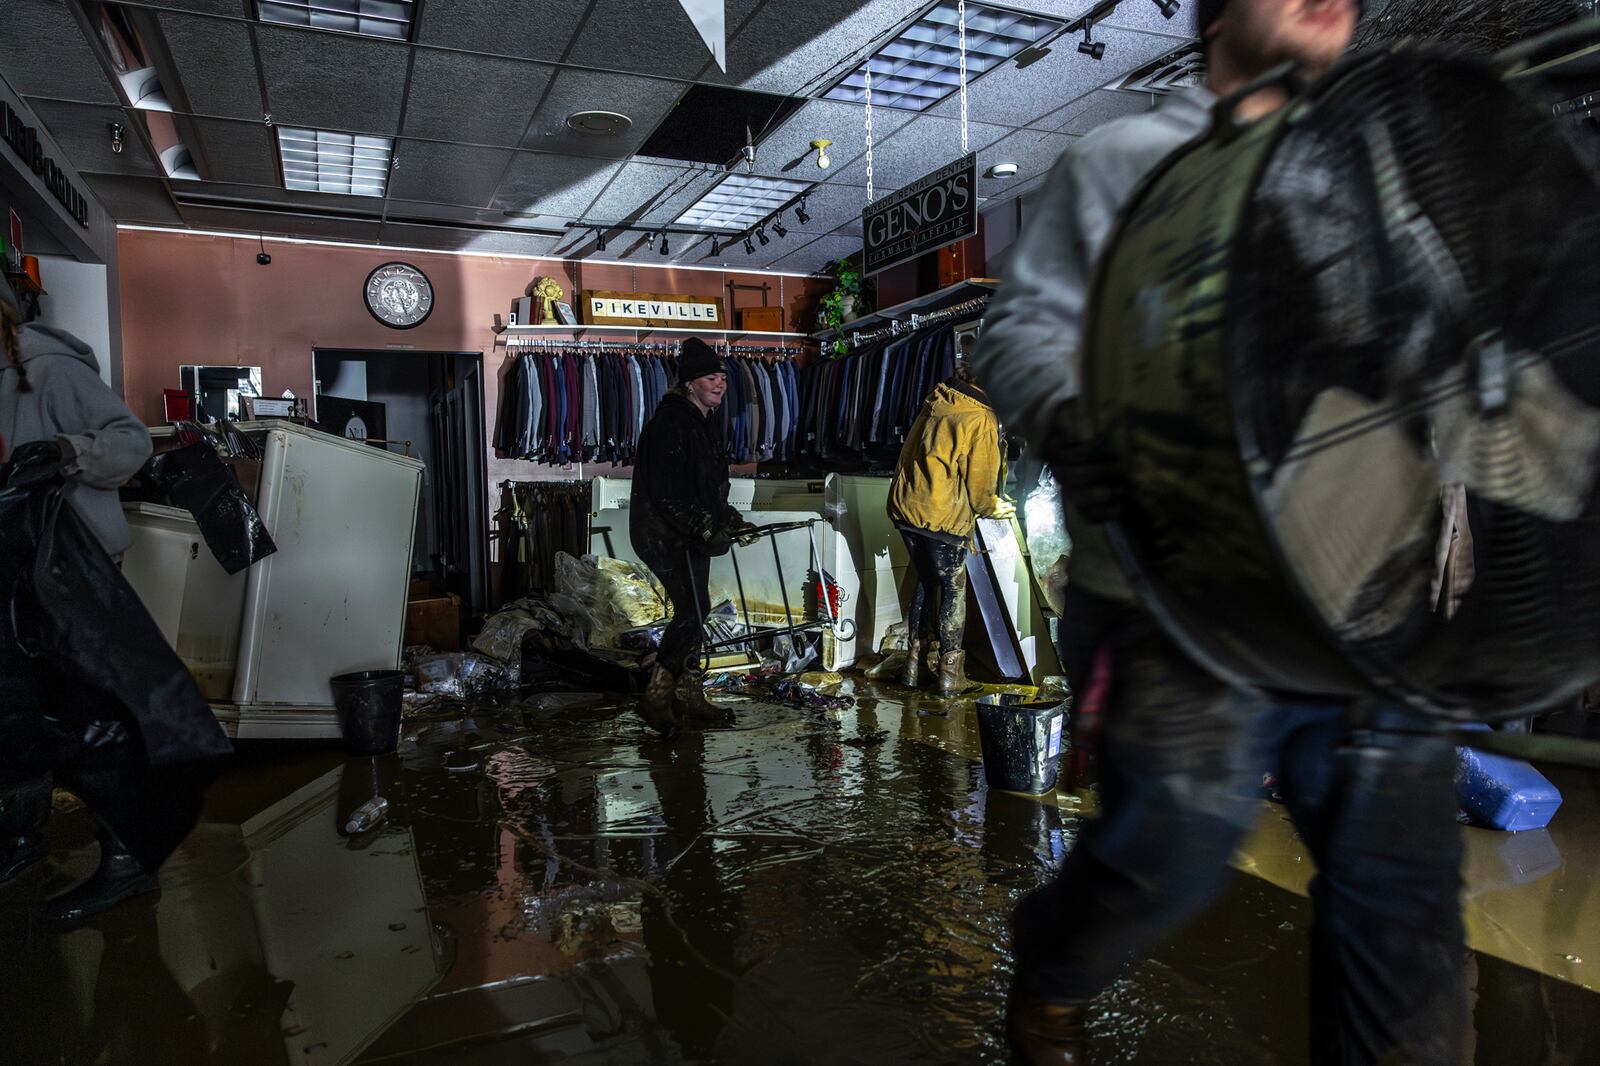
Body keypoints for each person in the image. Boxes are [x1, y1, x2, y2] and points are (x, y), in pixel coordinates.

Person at [975, 2, 1467, 1065]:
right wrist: (1068, 415)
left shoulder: (1367, 173)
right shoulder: (1125, 158)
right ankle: (1053, 960)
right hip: (1179, 604)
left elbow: (1449, 340)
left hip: (1362, 606)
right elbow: (1017, 329)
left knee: (1403, 911)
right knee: (1174, 853)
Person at [0, 271, 225, 922]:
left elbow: (126, 442)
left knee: (91, 712)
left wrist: (67, 451)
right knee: (25, 708)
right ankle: (22, 838)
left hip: (74, 566)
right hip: (16, 568)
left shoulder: (48, 371)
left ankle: (129, 853)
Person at [629, 337, 758, 736]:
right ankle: (656, 697)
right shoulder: (670, 423)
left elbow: (707, 488)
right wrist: (704, 525)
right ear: (688, 383)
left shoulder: (703, 422)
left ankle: (688, 696)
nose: (720, 383)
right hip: (660, 532)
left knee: (696, 610)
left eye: (721, 376)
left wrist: (730, 519)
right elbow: (667, 492)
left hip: (687, 533)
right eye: (709, 378)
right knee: (693, 609)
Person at [885, 360, 1014, 695]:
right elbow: (981, 484)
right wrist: (994, 506)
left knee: (927, 582)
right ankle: (949, 675)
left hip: (907, 507)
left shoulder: (939, 399)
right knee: (953, 589)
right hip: (941, 515)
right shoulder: (980, 416)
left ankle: (914, 665)